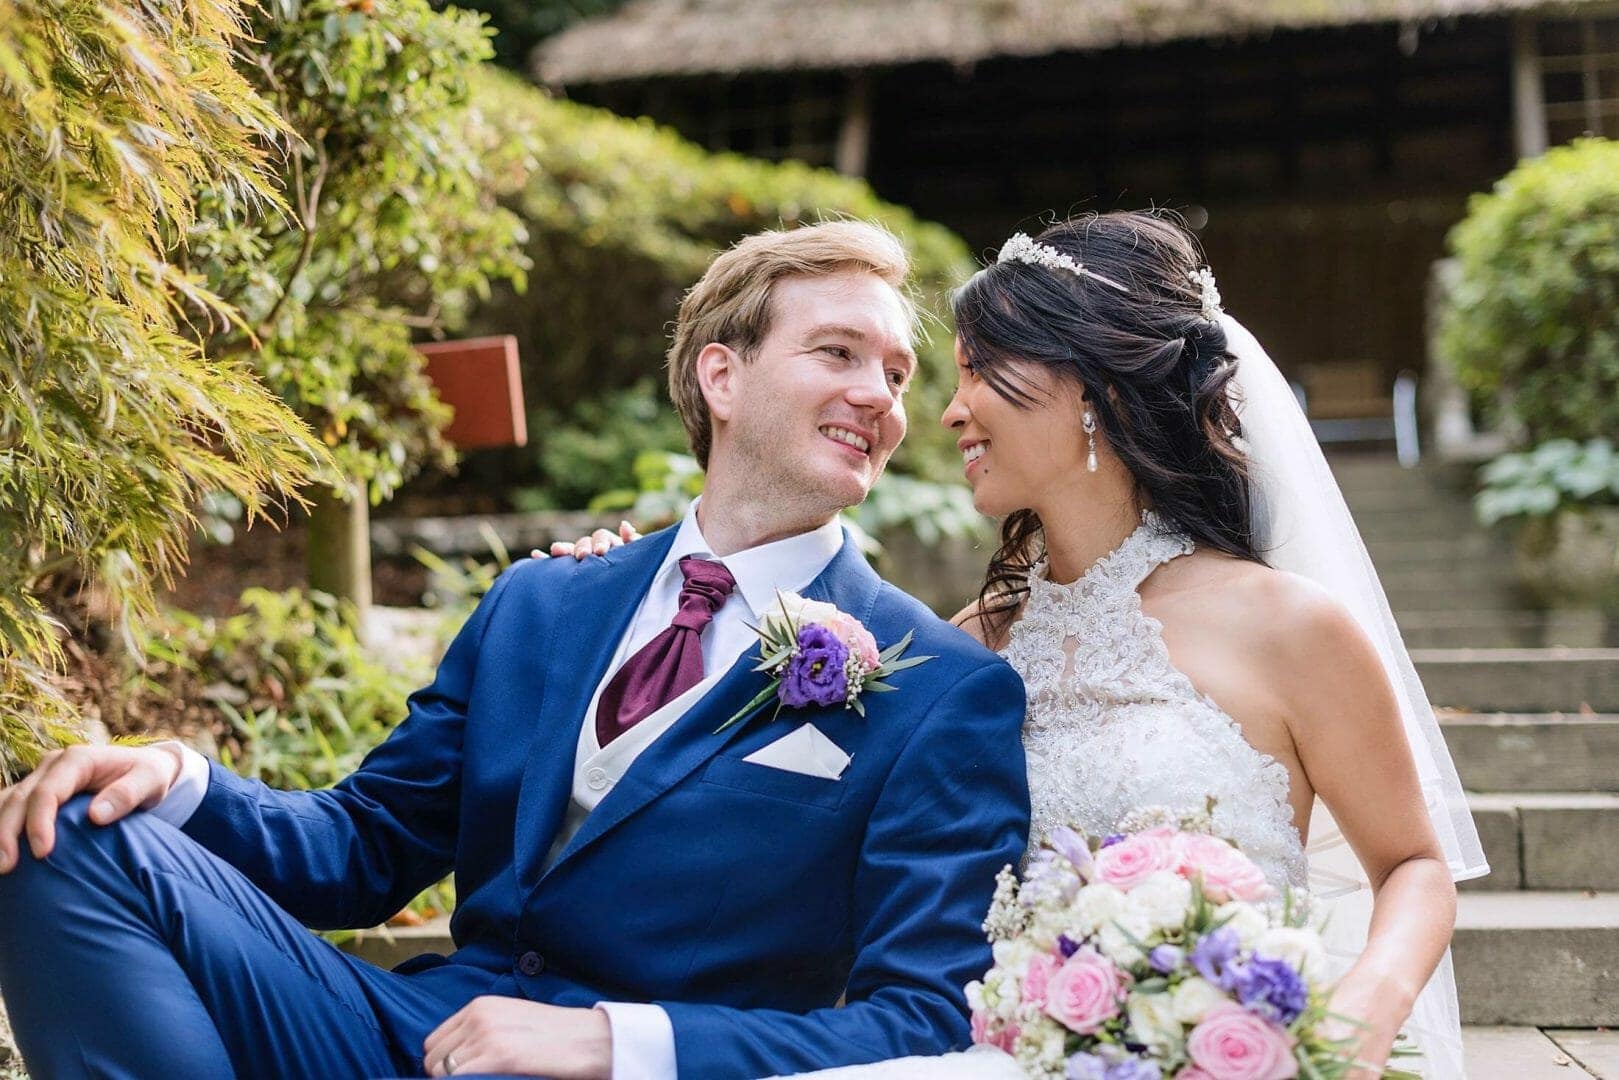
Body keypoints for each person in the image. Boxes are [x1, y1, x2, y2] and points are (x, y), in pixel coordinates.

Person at [0, 220, 1031, 1080]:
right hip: (415, 1037)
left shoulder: (939, 685)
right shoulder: (542, 602)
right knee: (73, 833)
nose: (881, 399)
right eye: (838, 353)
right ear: (721, 375)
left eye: (896, 375)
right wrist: (176, 780)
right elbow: (361, 848)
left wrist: (612, 1042)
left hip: (637, 1071)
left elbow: (928, 1020)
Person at [572, 211, 1488, 1079]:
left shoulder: (1286, 627)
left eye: (980, 373)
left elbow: (1412, 864)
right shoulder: (964, 650)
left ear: (1091, 388)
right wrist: (628, 595)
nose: (946, 411)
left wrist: (1359, 1005)